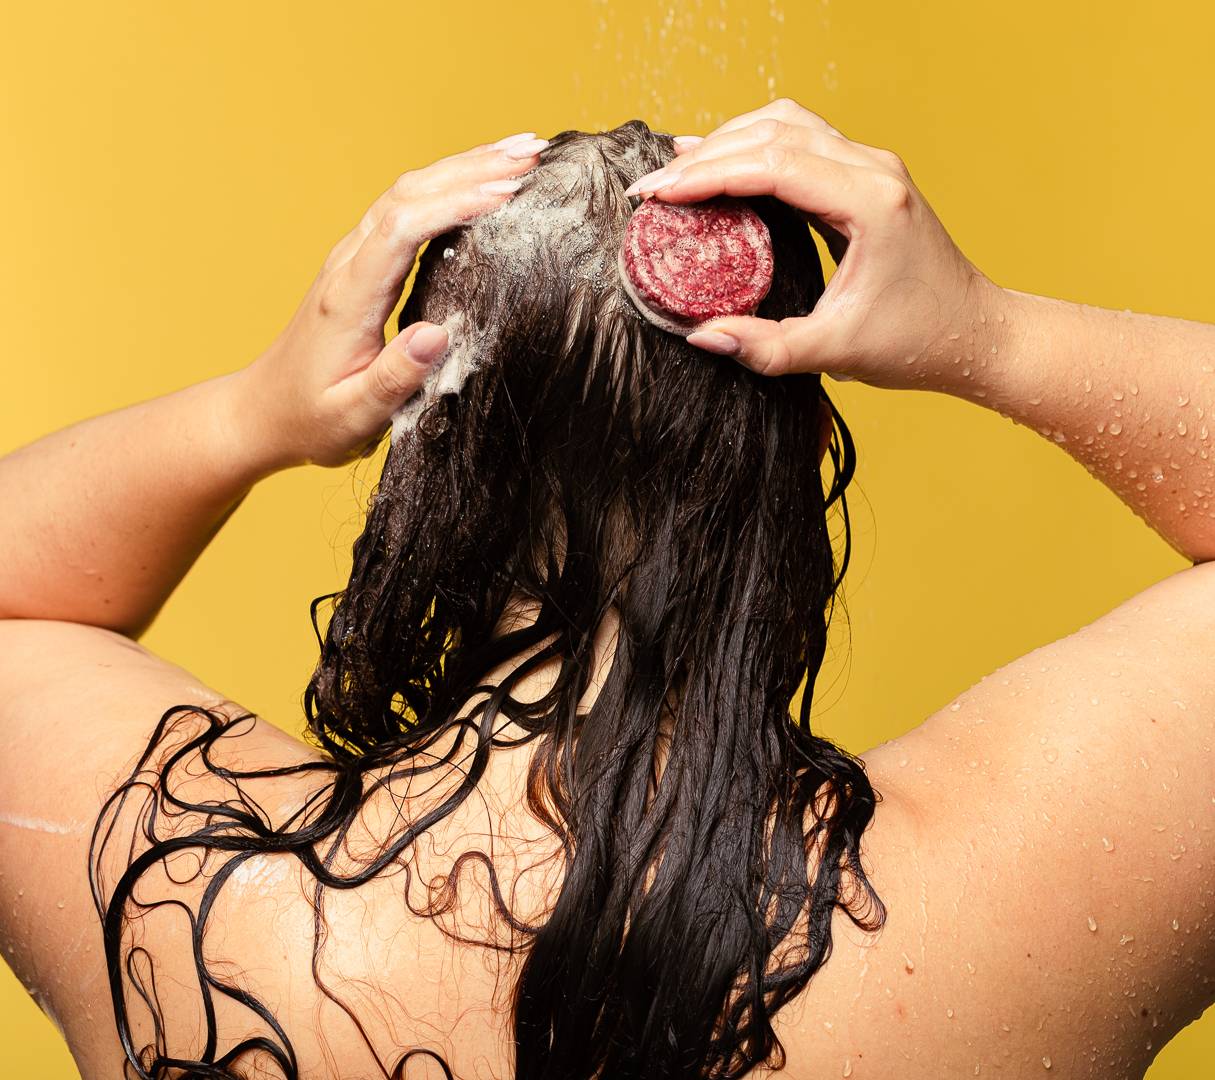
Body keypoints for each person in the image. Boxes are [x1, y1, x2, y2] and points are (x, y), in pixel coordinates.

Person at [0, 97, 1210, 1080]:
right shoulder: (989, 906)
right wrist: (987, 334)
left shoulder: (200, 901)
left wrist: (253, 414)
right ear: (787, 465)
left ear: (428, 462)